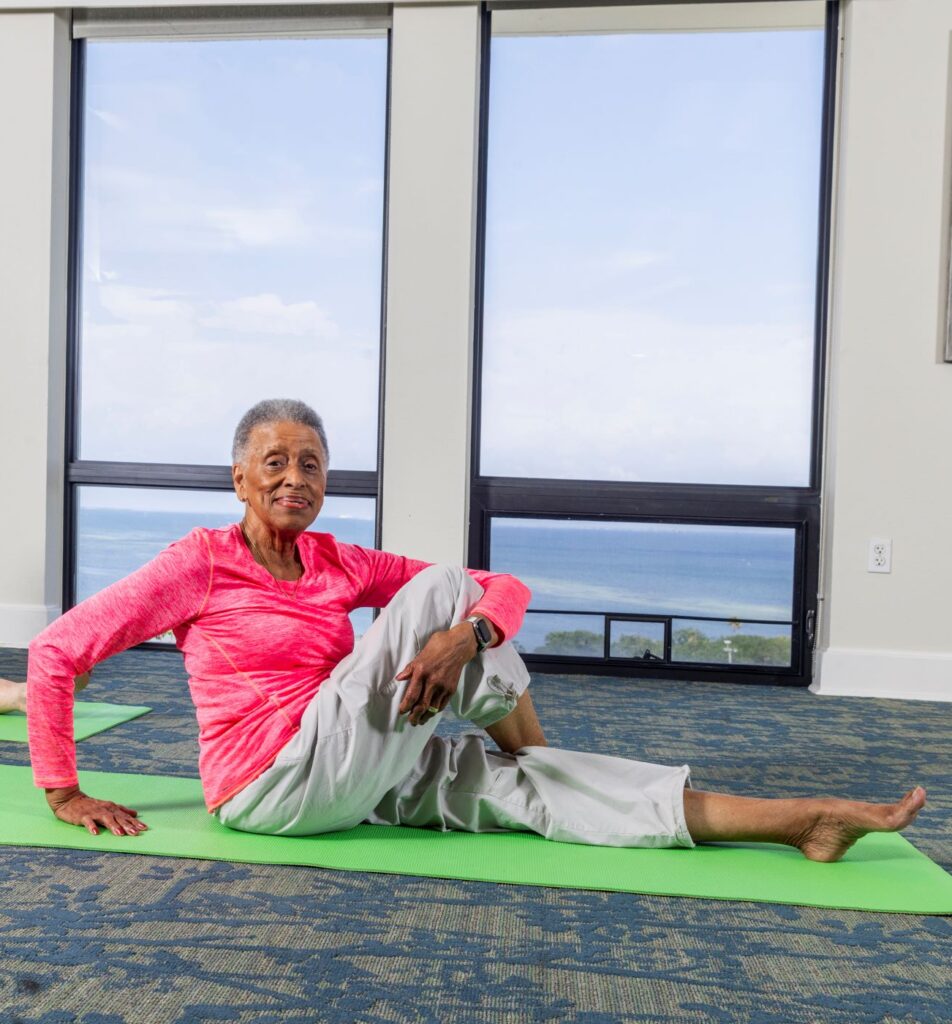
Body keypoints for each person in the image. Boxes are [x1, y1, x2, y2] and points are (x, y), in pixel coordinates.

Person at [26, 399, 925, 861]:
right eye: (275, 463)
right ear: (238, 478)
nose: (295, 478)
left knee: (530, 788)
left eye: (311, 463)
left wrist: (473, 636)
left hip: (354, 765)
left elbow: (508, 584)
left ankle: (801, 822)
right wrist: (65, 794)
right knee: (450, 588)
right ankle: (526, 737)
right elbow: (56, 651)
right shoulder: (198, 565)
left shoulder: (337, 563)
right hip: (269, 785)